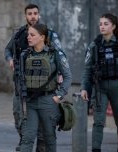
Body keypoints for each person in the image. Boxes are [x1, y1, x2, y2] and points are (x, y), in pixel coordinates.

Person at [4, 4, 63, 151]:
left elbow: (59, 54)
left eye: (35, 13)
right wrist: (10, 59)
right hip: (21, 87)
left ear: (39, 15)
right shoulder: (19, 34)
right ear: (26, 16)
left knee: (44, 129)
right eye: (29, 14)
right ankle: (25, 143)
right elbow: (7, 49)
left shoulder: (49, 34)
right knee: (20, 121)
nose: (33, 16)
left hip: (44, 87)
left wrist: (60, 74)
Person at [80, 13, 118, 152]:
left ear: (113, 26)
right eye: (100, 24)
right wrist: (84, 88)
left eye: (106, 24)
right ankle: (96, 149)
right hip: (99, 87)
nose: (102, 26)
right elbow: (87, 69)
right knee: (98, 122)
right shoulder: (94, 45)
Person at [19, 23, 72, 152]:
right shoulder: (24, 55)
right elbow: (20, 78)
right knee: (27, 138)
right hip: (30, 101)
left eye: (32, 35)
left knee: (49, 138)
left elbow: (68, 76)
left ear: (42, 37)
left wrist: (59, 95)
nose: (29, 38)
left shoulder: (55, 54)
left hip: (48, 100)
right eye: (28, 35)